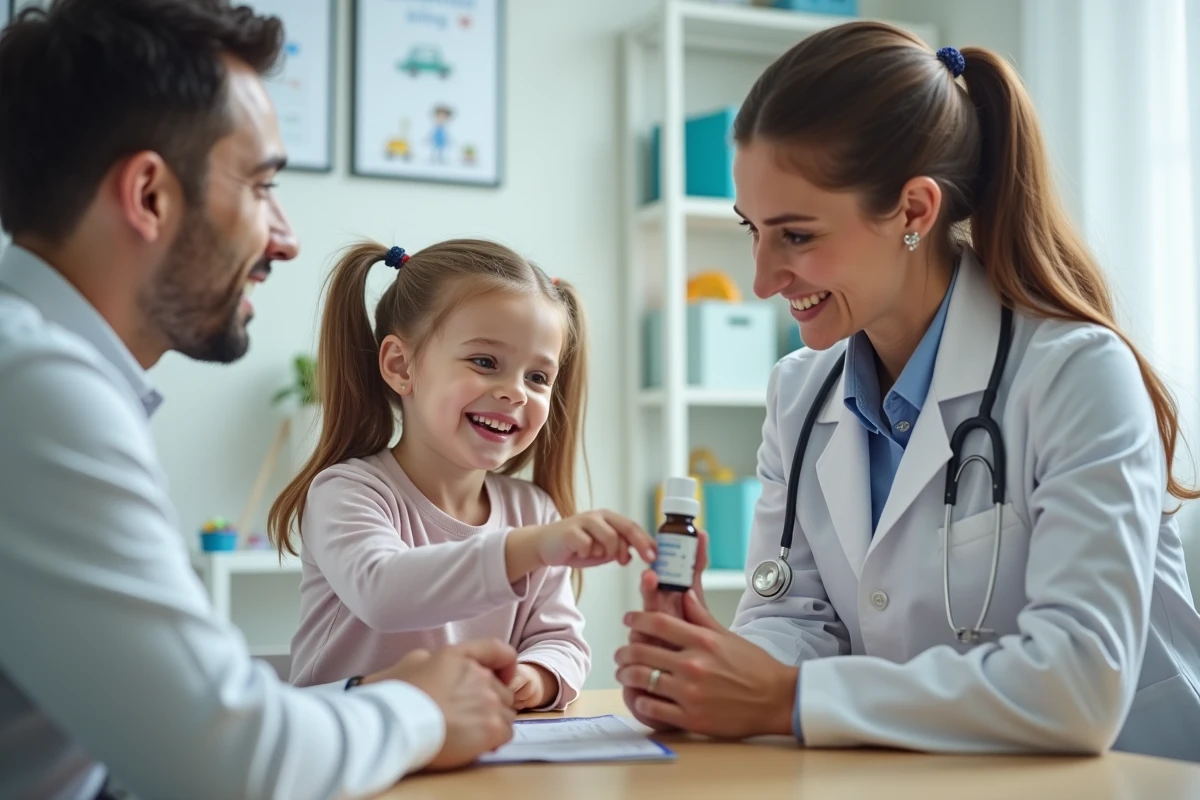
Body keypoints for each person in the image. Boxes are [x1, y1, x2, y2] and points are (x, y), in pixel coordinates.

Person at [616, 20, 1200, 763]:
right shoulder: (799, 392)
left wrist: (786, 698)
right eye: (752, 230)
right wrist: (708, 667)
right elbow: (794, 618)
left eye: (796, 236)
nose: (762, 279)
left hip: (1129, 776)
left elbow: (1079, 687)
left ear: (915, 212)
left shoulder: (1077, 374)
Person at [0, 2, 524, 798]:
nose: (285, 236)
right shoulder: (35, 388)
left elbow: (170, 711)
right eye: (262, 186)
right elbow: (229, 763)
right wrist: (418, 707)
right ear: (148, 195)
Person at [268, 239, 657, 710]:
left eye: (537, 377)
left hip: (470, 756)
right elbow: (384, 592)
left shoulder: (532, 510)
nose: (514, 392)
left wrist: (536, 677)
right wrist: (531, 546)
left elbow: (562, 641)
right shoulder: (347, 492)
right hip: (349, 756)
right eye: (485, 363)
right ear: (399, 365)